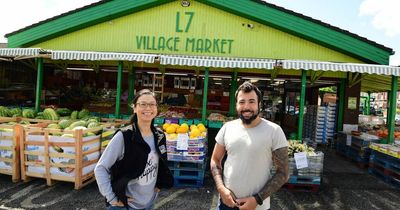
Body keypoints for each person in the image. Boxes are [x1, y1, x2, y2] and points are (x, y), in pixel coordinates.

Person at [210, 82, 289, 210]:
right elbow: (215, 159)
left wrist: (257, 199)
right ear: (236, 105)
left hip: (257, 207)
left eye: (251, 101)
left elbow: (283, 173)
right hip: (227, 204)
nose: (246, 106)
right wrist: (221, 189)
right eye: (241, 102)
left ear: (259, 104)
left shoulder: (274, 131)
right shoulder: (227, 128)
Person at [95, 89, 173, 210]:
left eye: (152, 104)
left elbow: (161, 163)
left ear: (156, 109)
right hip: (125, 206)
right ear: (135, 108)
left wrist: (160, 183)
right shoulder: (124, 136)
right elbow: (100, 168)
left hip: (149, 204)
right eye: (143, 104)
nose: (148, 108)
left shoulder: (160, 136)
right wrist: (111, 198)